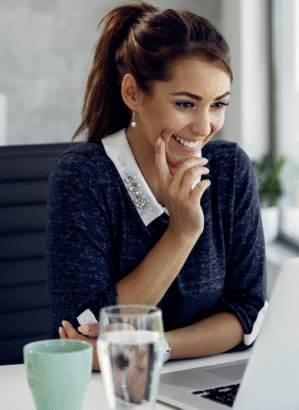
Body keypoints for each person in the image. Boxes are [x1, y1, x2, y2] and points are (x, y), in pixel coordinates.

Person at [47, 1, 267, 367]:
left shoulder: (229, 170)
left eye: (218, 105)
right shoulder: (83, 177)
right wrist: (182, 233)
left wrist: (151, 347)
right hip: (109, 392)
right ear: (132, 93)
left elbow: (247, 314)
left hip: (201, 377)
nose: (204, 127)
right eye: (185, 104)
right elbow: (86, 329)